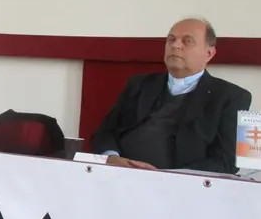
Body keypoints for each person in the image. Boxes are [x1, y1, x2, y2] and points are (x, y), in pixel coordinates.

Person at [90, 18, 251, 174]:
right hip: (119, 176)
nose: (175, 45)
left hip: (181, 186)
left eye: (187, 41)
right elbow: (104, 132)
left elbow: (227, 161)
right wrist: (111, 158)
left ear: (209, 53)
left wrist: (169, 176)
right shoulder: (139, 84)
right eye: (171, 39)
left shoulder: (232, 97)